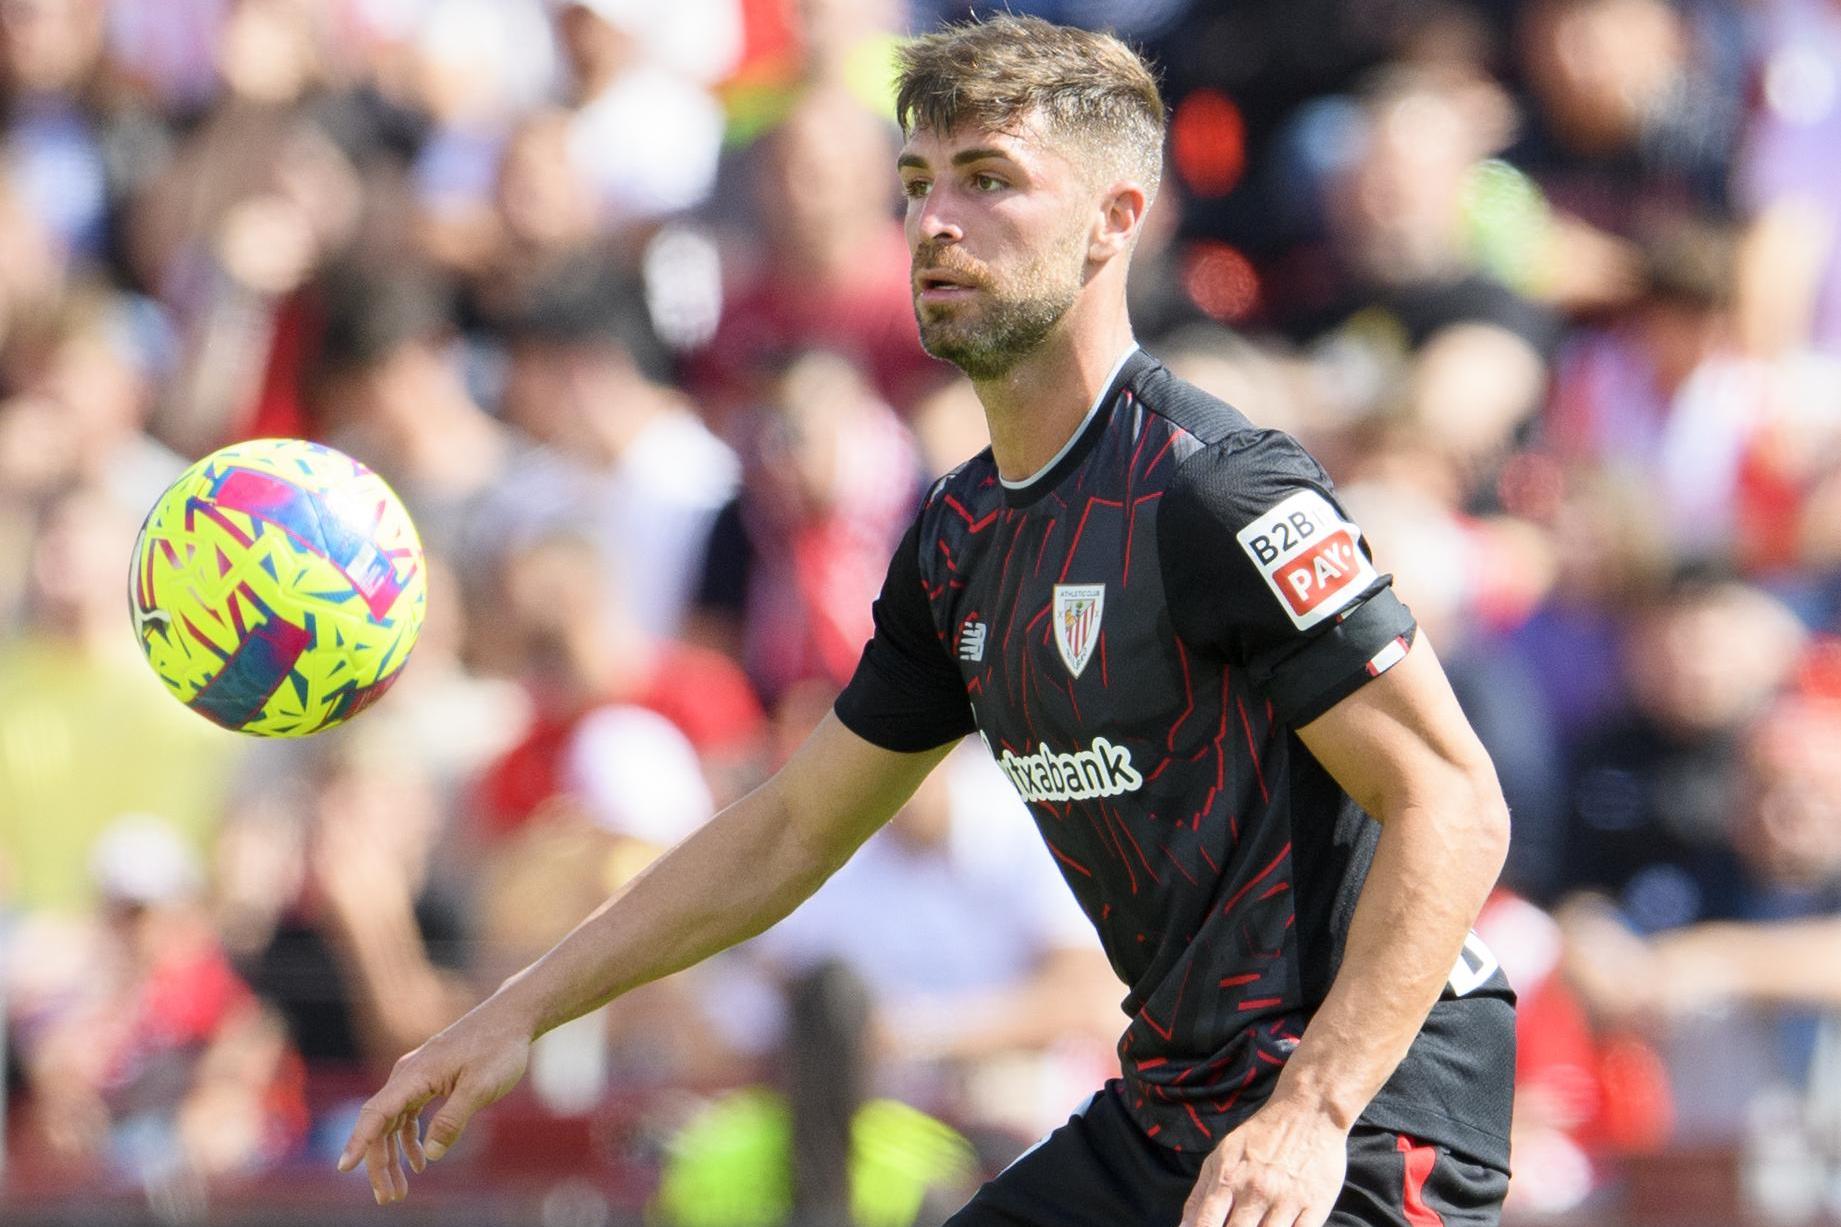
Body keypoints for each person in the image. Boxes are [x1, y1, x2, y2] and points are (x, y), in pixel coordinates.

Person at [336, 16, 1516, 1226]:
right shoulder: (960, 538)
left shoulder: (1216, 491)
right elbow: (791, 824)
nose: (935, 222)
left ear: (1115, 220)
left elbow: (1456, 802)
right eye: (916, 184)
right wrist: (514, 1011)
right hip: (1177, 1105)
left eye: (989, 180)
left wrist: (1311, 1116)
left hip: (1370, 1107)